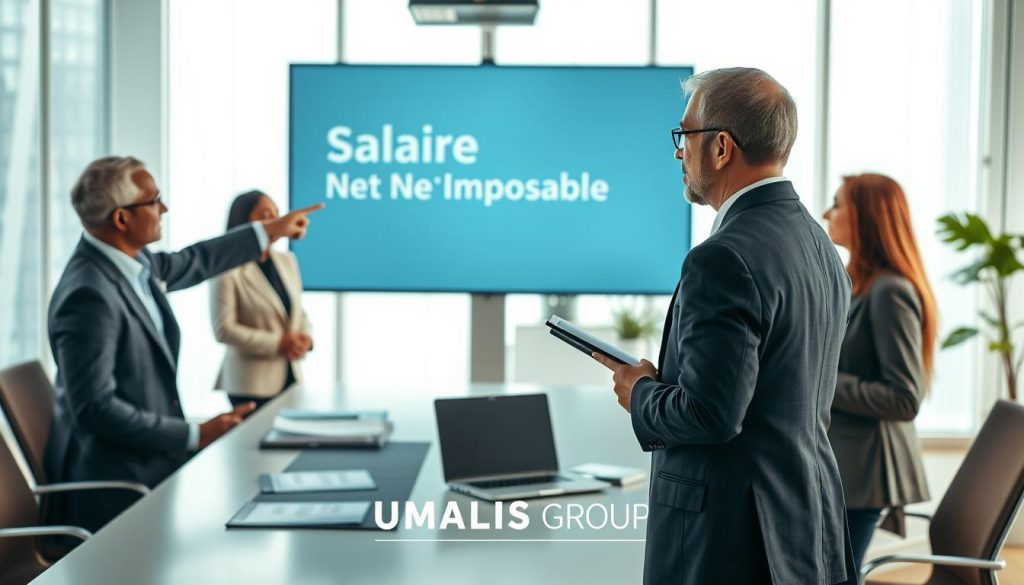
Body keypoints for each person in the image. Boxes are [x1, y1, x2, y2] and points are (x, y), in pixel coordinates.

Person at [594, 68, 857, 584]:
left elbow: (710, 415)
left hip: (730, 539)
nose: (677, 153)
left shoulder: (723, 259)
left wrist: (640, 390)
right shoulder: (817, 243)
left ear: (719, 147)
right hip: (806, 521)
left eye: (684, 137)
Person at [45, 156, 322, 533]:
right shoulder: (89, 295)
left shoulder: (134, 263)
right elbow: (96, 408)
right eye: (153, 200)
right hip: (117, 487)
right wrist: (195, 434)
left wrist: (269, 230)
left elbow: (196, 260)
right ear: (122, 219)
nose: (164, 208)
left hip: (152, 464)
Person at [822, 173, 934, 570]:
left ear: (867, 217)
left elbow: (904, 398)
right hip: (850, 471)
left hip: (865, 477)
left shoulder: (890, 291)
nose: (826, 213)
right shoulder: (861, 285)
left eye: (837, 204)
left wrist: (821, 380)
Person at [211, 190, 313, 409]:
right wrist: (279, 343)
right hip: (249, 385)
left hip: (290, 376)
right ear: (243, 224)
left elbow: (297, 311)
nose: (276, 221)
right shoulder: (226, 268)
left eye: (277, 214)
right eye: (266, 215)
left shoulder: (287, 260)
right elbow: (224, 330)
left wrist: (305, 339)